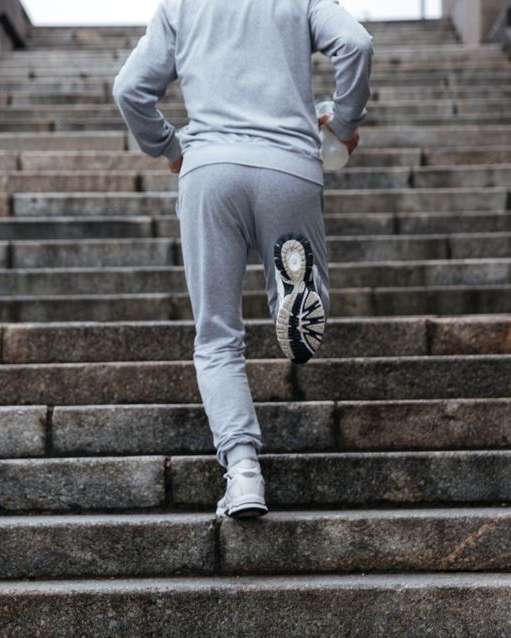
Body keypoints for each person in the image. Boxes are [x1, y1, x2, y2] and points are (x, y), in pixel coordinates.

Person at [113, 0, 372, 517]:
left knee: (216, 337)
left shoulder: (180, 6)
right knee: (299, 287)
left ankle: (245, 472)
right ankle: (292, 295)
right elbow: (357, 43)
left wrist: (170, 148)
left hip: (210, 170)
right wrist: (343, 122)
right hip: (289, 166)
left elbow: (129, 90)